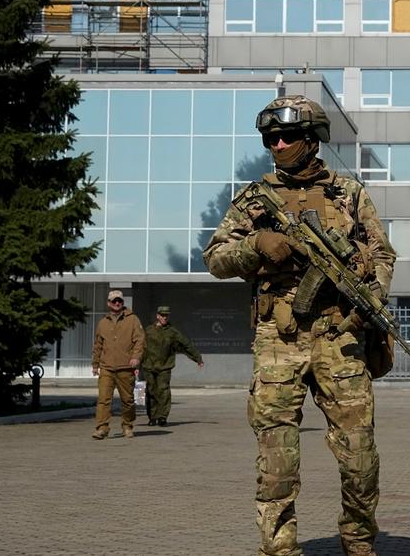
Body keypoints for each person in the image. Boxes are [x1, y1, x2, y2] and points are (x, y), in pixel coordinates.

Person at [203, 95, 396, 556]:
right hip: (278, 340)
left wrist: (369, 296)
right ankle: (279, 550)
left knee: (360, 458)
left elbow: (383, 255)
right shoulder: (254, 200)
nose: (278, 145)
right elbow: (215, 257)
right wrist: (256, 244)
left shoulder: (348, 194)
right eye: (271, 139)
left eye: (287, 136)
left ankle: (359, 542)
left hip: (340, 335)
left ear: (312, 139)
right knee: (277, 462)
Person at [91, 290, 145, 440]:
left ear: (122, 302)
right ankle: (102, 428)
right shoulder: (103, 323)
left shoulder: (132, 319)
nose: (117, 303)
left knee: (127, 400)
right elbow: (98, 345)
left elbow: (140, 340)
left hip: (126, 367)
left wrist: (136, 357)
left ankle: (127, 425)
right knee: (103, 399)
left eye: (119, 301)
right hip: (107, 368)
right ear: (108, 303)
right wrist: (95, 364)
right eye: (114, 301)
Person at [141, 305, 204, 426]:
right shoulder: (148, 330)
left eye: (166, 315)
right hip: (149, 366)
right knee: (151, 391)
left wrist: (197, 358)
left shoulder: (172, 332)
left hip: (164, 366)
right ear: (157, 316)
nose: (164, 317)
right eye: (162, 315)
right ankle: (152, 417)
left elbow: (185, 344)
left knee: (163, 390)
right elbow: (140, 347)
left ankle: (162, 416)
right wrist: (135, 364)